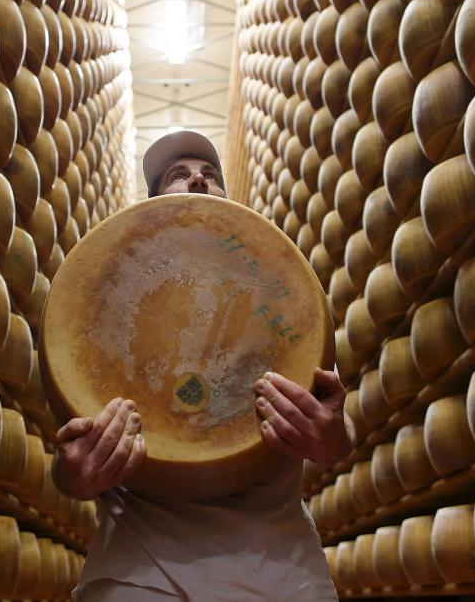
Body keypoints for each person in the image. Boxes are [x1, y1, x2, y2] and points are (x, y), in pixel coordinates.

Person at [54, 129, 351, 601]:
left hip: (280, 570)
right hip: (139, 570)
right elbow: (70, 450)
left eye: (210, 176)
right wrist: (73, 474)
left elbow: (333, 432)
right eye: (180, 175)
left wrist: (332, 436)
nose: (198, 182)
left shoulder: (283, 289)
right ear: (149, 205)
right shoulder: (99, 299)